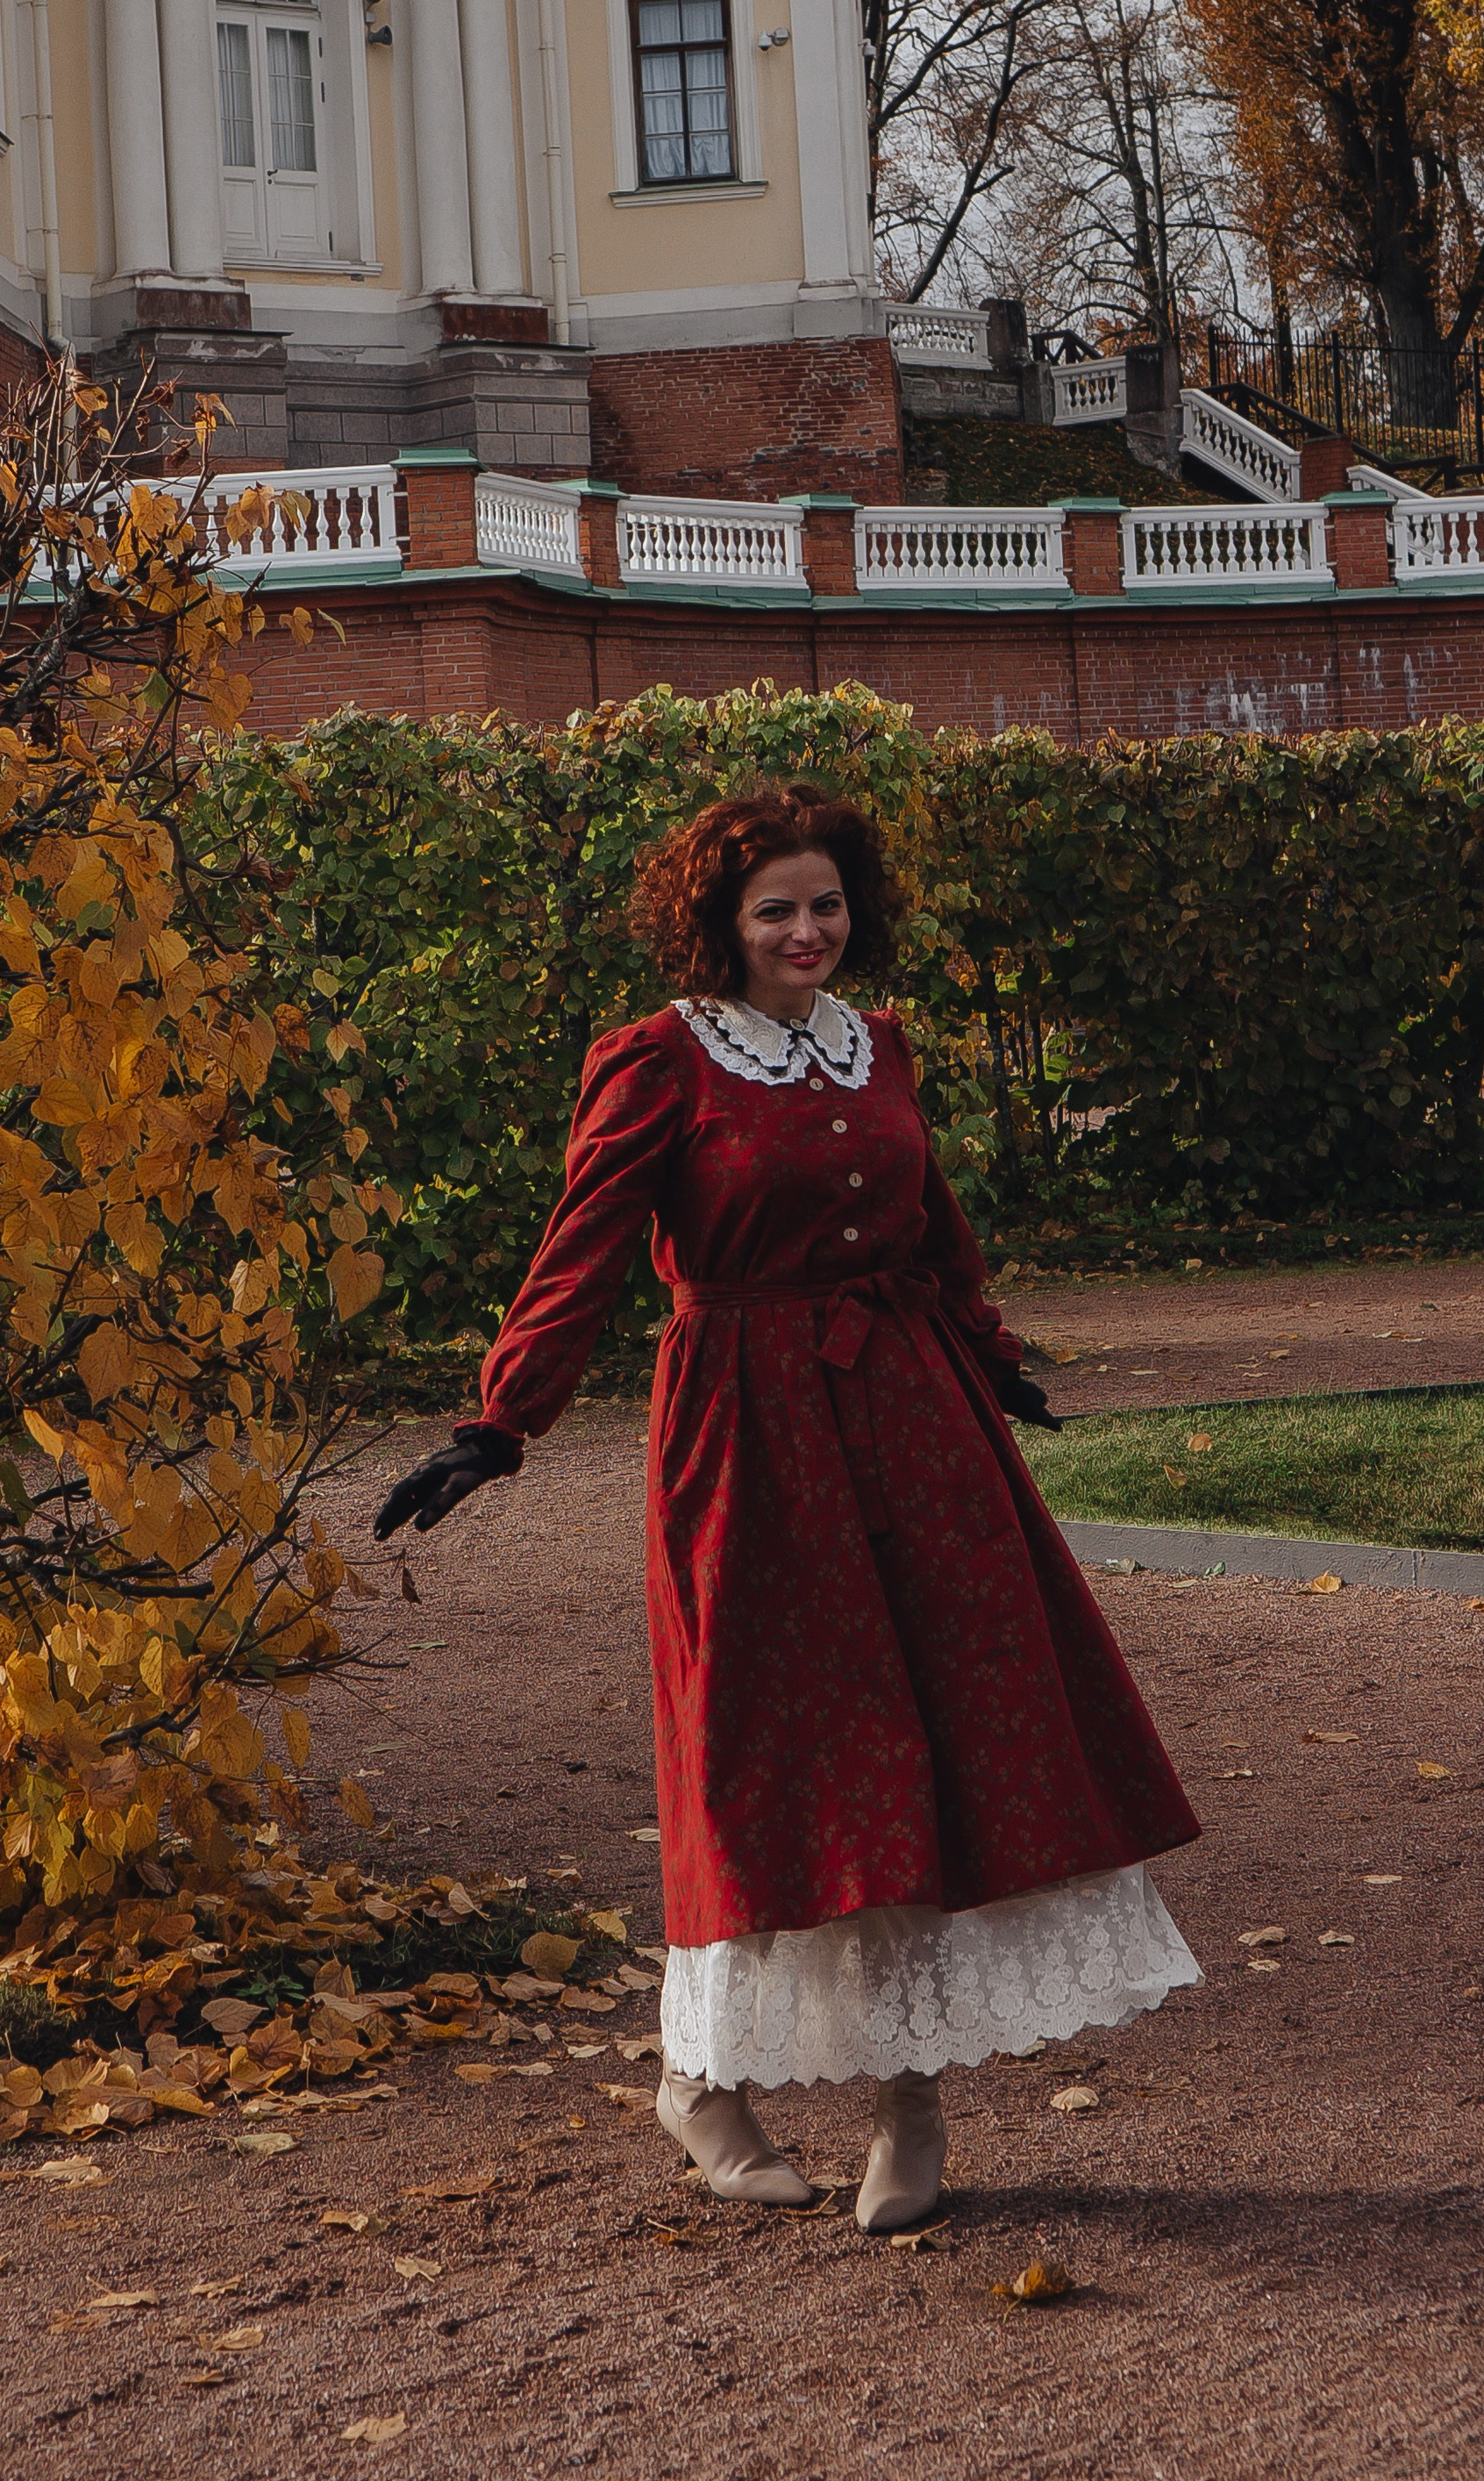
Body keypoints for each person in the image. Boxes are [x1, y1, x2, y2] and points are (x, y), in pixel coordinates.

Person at [376, 784, 1202, 2234]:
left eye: (824, 905)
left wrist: (993, 1364)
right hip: (749, 1437)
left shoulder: (876, 1046)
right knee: (764, 1753)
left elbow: (935, 1229)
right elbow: (583, 1252)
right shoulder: (658, 1063)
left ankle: (912, 2097)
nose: (807, 930)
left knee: (938, 1738)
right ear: (724, 926)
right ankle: (702, 2081)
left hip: (916, 1420)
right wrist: (501, 1422)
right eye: (777, 910)